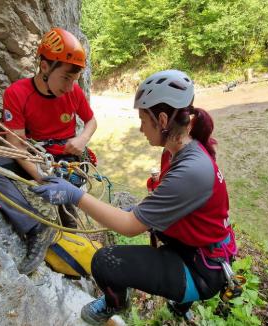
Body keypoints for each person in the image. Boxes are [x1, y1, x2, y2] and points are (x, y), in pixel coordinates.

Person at [32, 70, 237, 325]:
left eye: (143, 119)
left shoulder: (191, 170)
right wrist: (141, 208)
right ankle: (181, 306)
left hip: (202, 269)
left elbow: (129, 227)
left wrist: (73, 195)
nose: (141, 128)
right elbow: (172, 204)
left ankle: (115, 304)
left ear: (162, 119)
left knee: (104, 262)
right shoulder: (179, 150)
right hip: (196, 247)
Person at [0, 27, 97, 275]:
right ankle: (36, 229)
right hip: (35, 155)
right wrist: (44, 178)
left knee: (68, 208)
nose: (70, 86)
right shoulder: (17, 94)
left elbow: (91, 121)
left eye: (74, 80)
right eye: (65, 78)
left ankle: (73, 245)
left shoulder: (73, 92)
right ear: (45, 67)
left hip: (65, 157)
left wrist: (82, 138)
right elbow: (16, 145)